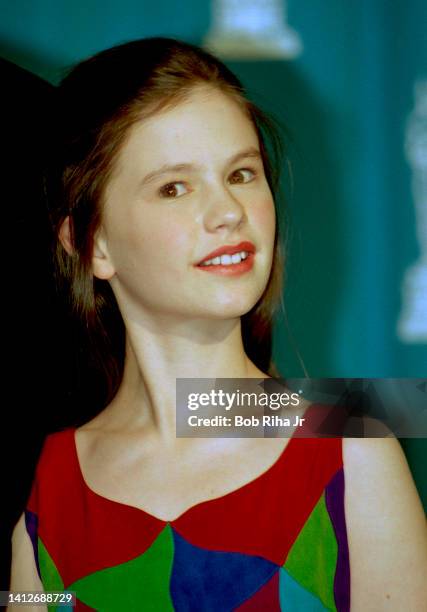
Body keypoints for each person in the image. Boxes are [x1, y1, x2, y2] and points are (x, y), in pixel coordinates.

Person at [8, 37, 427, 611]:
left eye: (242, 173)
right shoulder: (44, 495)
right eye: (174, 187)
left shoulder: (352, 448)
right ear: (92, 243)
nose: (229, 210)